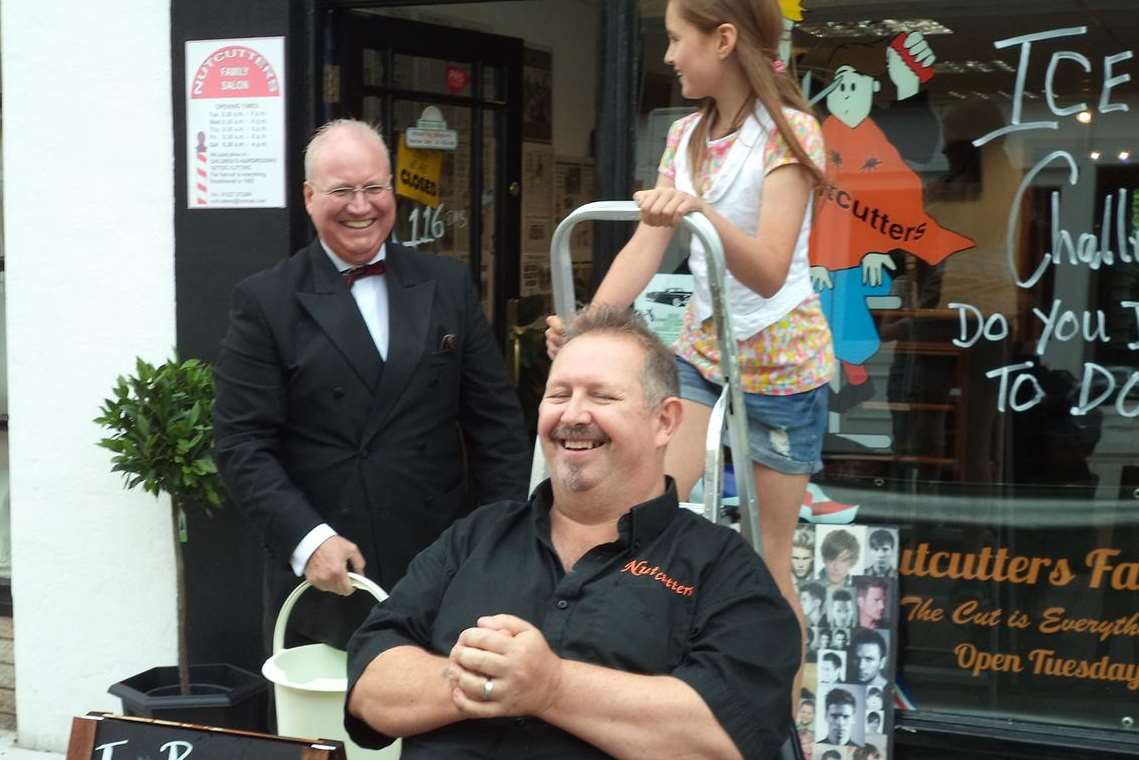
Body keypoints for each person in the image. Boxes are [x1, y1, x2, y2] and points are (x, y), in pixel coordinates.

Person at [345, 307, 801, 759]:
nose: (574, 415)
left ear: (664, 421)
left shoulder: (722, 567)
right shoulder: (476, 537)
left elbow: (728, 737)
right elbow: (369, 684)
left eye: (602, 397)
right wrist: (483, 679)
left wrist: (552, 687)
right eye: (558, 394)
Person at [545, 0, 833, 695]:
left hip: (783, 361)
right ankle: (629, 674)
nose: (669, 56)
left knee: (769, 556)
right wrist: (586, 330)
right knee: (645, 513)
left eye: (678, 40)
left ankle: (773, 719)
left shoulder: (791, 134)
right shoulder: (684, 138)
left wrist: (699, 212)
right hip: (706, 352)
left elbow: (766, 267)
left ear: (723, 40)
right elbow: (646, 246)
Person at [213, 119, 530, 647]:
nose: (361, 206)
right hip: (331, 572)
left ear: (392, 189)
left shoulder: (447, 284)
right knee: (329, 726)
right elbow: (241, 442)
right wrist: (308, 540)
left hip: (442, 562)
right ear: (310, 198)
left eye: (374, 188)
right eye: (341, 191)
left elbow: (497, 427)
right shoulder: (265, 301)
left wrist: (496, 540)